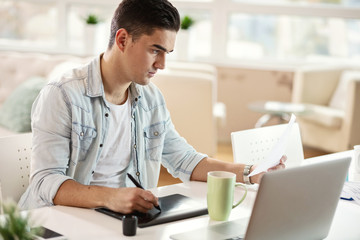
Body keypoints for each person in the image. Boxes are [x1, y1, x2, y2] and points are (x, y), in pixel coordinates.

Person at [19, 0, 285, 213]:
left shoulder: (150, 99)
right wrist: (112, 198)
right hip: (62, 221)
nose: (162, 65)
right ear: (122, 40)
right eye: (155, 50)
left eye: (166, 53)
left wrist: (251, 172)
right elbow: (45, 182)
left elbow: (184, 159)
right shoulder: (63, 95)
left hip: (121, 221)